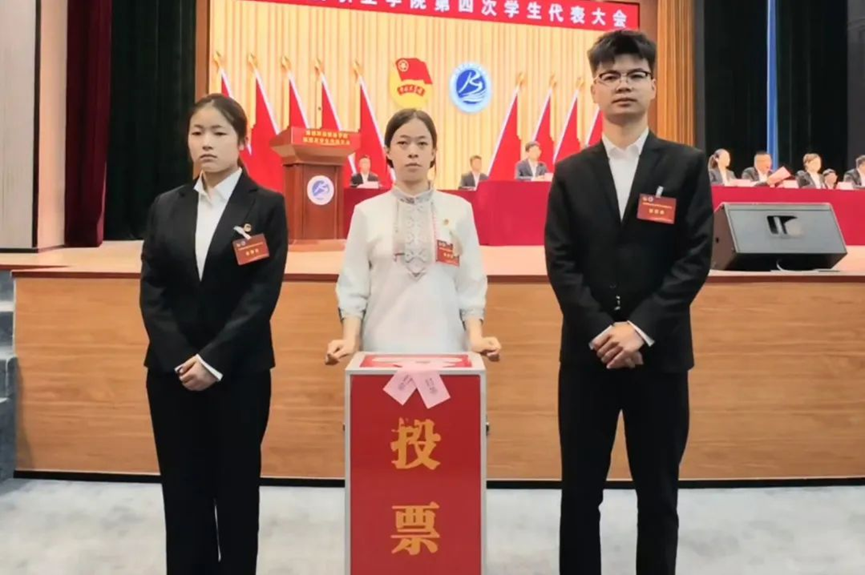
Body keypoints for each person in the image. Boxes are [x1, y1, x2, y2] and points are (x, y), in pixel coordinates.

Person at [544, 30, 713, 575]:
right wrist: (602, 331)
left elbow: (694, 259)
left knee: (659, 494)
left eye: (636, 74)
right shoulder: (571, 172)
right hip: (588, 357)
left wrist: (638, 329)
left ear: (654, 86)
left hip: (659, 358)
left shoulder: (685, 165)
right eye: (610, 76)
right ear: (594, 89)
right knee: (580, 494)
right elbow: (561, 262)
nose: (623, 85)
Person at [140, 93, 288, 574]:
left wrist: (214, 360)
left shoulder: (266, 206)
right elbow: (153, 289)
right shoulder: (166, 206)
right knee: (183, 491)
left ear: (242, 141)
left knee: (236, 490)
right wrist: (182, 358)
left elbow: (261, 294)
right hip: (172, 375)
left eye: (219, 132)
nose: (206, 142)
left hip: (239, 373)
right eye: (197, 132)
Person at [326, 108, 501, 360]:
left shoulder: (459, 210)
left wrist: (475, 337)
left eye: (422, 143)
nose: (412, 152)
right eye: (403, 143)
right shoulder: (366, 212)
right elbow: (354, 284)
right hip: (380, 351)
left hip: (447, 349)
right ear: (387, 152)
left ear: (433, 153)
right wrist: (349, 339)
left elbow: (470, 282)